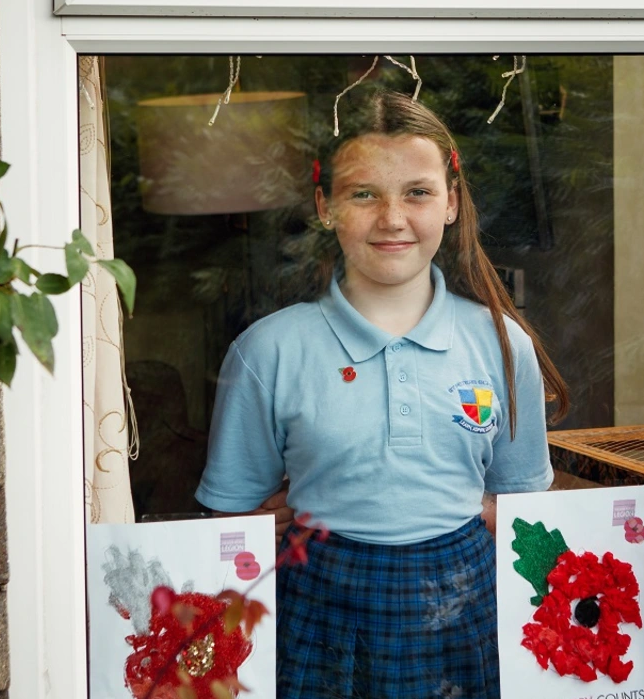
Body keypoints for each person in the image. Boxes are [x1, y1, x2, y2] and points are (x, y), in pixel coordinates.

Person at [195, 90, 570, 699]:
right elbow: (229, 524)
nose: (392, 218)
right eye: (363, 193)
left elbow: (519, 511)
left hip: (465, 622)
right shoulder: (267, 352)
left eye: (417, 192)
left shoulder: (503, 346)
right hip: (316, 618)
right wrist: (250, 527)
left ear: (451, 201)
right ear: (325, 206)